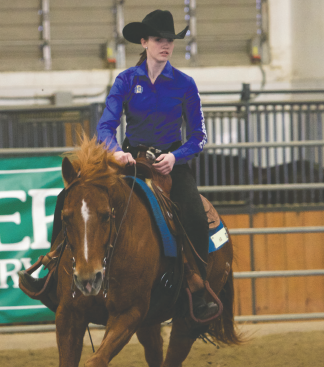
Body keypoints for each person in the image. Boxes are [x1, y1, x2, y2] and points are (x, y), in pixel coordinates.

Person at [20, 9, 218, 322]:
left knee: (193, 212)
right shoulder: (126, 80)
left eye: (169, 40)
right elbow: (106, 126)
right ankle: (51, 270)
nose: (164, 45)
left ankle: (198, 284)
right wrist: (114, 152)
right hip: (129, 162)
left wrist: (176, 157)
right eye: (158, 39)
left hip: (170, 164)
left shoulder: (185, 84)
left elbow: (198, 136)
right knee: (69, 200)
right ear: (145, 42)